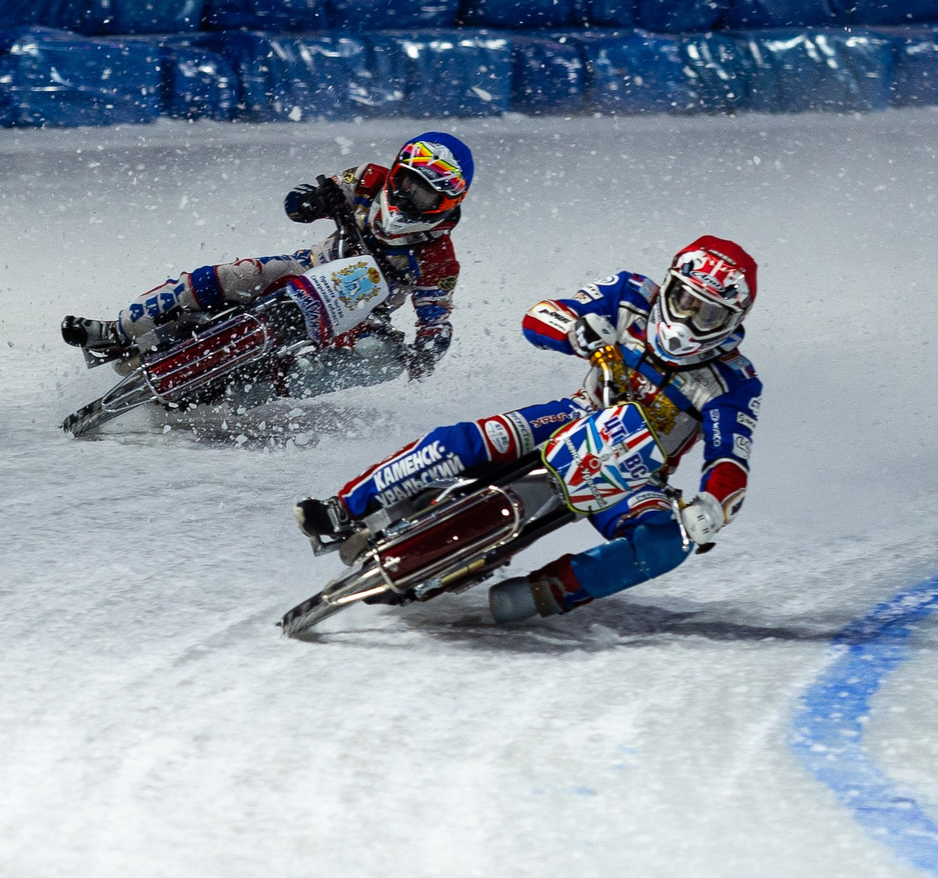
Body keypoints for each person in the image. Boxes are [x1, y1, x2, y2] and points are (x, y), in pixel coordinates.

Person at [299, 236, 762, 624]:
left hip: (631, 476)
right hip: (572, 416)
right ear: (669, 286)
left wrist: (712, 509)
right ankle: (342, 509)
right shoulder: (629, 294)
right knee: (460, 442)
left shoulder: (732, 381)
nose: (687, 323)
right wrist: (575, 330)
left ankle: (548, 591)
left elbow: (728, 462)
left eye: (707, 315)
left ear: (732, 322)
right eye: (684, 300)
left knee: (669, 543)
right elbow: (539, 315)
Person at [63, 132, 471, 387]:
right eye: (405, 183)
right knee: (232, 275)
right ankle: (118, 328)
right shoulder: (368, 178)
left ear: (446, 203)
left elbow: (436, 320)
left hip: (358, 313)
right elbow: (298, 201)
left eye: (423, 195)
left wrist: (425, 351)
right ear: (395, 171)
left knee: (376, 361)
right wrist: (313, 201)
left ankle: (247, 390)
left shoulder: (440, 259)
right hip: (308, 265)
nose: (405, 197)